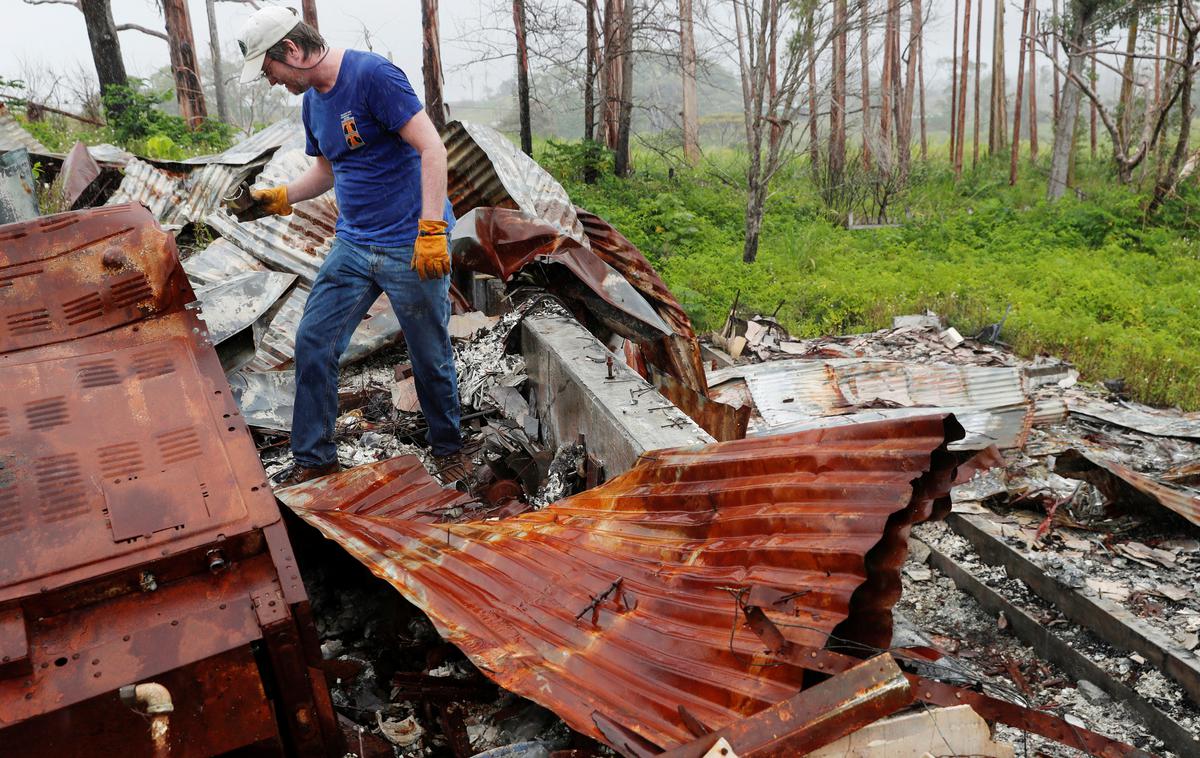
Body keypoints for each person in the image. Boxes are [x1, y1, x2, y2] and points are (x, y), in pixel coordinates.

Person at [234, 6, 462, 486]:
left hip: (411, 241)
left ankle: (450, 449)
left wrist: (431, 230)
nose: (271, 82)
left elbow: (432, 148)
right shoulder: (313, 102)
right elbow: (327, 171)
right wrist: (277, 198)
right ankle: (316, 459)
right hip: (355, 244)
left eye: (269, 69)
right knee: (313, 341)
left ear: (291, 50)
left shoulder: (372, 75)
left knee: (429, 354)